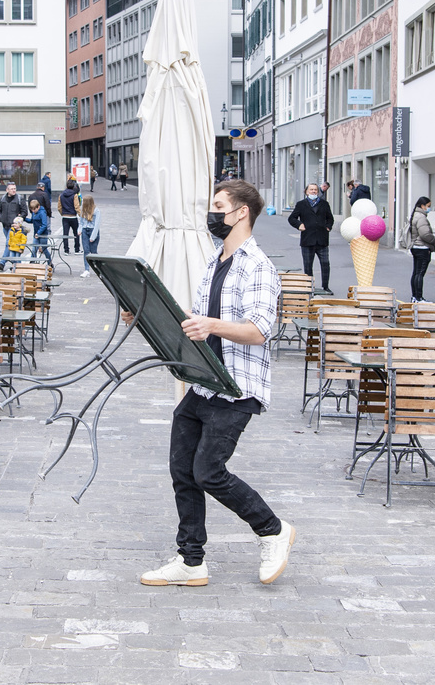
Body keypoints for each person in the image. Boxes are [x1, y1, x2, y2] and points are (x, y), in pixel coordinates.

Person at [138, 180, 293, 589]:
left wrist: (210, 325)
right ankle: (191, 561)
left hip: (236, 387)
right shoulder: (214, 261)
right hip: (204, 382)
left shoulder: (258, 266)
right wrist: (146, 311)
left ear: (242, 212)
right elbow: (199, 321)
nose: (212, 214)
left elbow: (258, 329)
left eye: (219, 206)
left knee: (208, 471)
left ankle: (273, 531)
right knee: (182, 469)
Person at [286, 183, 334, 295]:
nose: (313, 191)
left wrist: (328, 227)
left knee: (325, 263)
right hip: (307, 239)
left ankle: (326, 286)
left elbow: (330, 218)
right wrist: (299, 225)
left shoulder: (324, 204)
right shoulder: (301, 204)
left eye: (315, 190)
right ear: (306, 192)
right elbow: (292, 218)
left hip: (322, 239)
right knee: (308, 265)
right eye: (311, 190)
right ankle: (309, 287)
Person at [407, 196, 435, 303]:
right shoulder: (421, 217)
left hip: (415, 246)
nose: (429, 208)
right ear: (422, 206)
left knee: (416, 272)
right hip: (422, 247)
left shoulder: (415, 215)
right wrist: (434, 240)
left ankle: (415, 297)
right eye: (428, 206)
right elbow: (425, 234)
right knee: (420, 273)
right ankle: (419, 297)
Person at [0, 182, 28, 250]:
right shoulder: (3, 198)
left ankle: (4, 257)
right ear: (7, 190)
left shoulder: (19, 198)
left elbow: (24, 211)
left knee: (8, 243)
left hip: (14, 226)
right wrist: (1, 218)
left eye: (15, 189)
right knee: (11, 243)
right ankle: (13, 256)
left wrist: (19, 219)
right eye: (12, 189)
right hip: (5, 225)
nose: (14, 190)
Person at [79, 193, 100, 277]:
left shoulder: (96, 211)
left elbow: (97, 225)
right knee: (86, 250)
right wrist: (79, 230)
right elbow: (81, 222)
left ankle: (98, 268)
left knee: (93, 251)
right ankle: (86, 270)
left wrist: (93, 237)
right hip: (85, 230)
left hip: (92, 231)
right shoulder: (83, 209)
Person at [59, 179, 82, 254]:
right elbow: (76, 206)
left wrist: (62, 213)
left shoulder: (61, 195)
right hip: (73, 216)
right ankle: (77, 249)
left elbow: (59, 207)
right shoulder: (74, 195)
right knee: (76, 233)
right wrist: (80, 215)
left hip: (65, 217)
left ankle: (66, 250)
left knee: (65, 234)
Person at [27, 198, 51, 264]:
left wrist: (39, 233)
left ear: (38, 207)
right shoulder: (34, 213)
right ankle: (32, 262)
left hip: (42, 235)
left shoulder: (42, 213)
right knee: (34, 249)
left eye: (34, 209)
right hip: (36, 234)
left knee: (44, 249)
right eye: (32, 209)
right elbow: (32, 220)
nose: (33, 211)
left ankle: (50, 262)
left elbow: (44, 225)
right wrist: (24, 219)